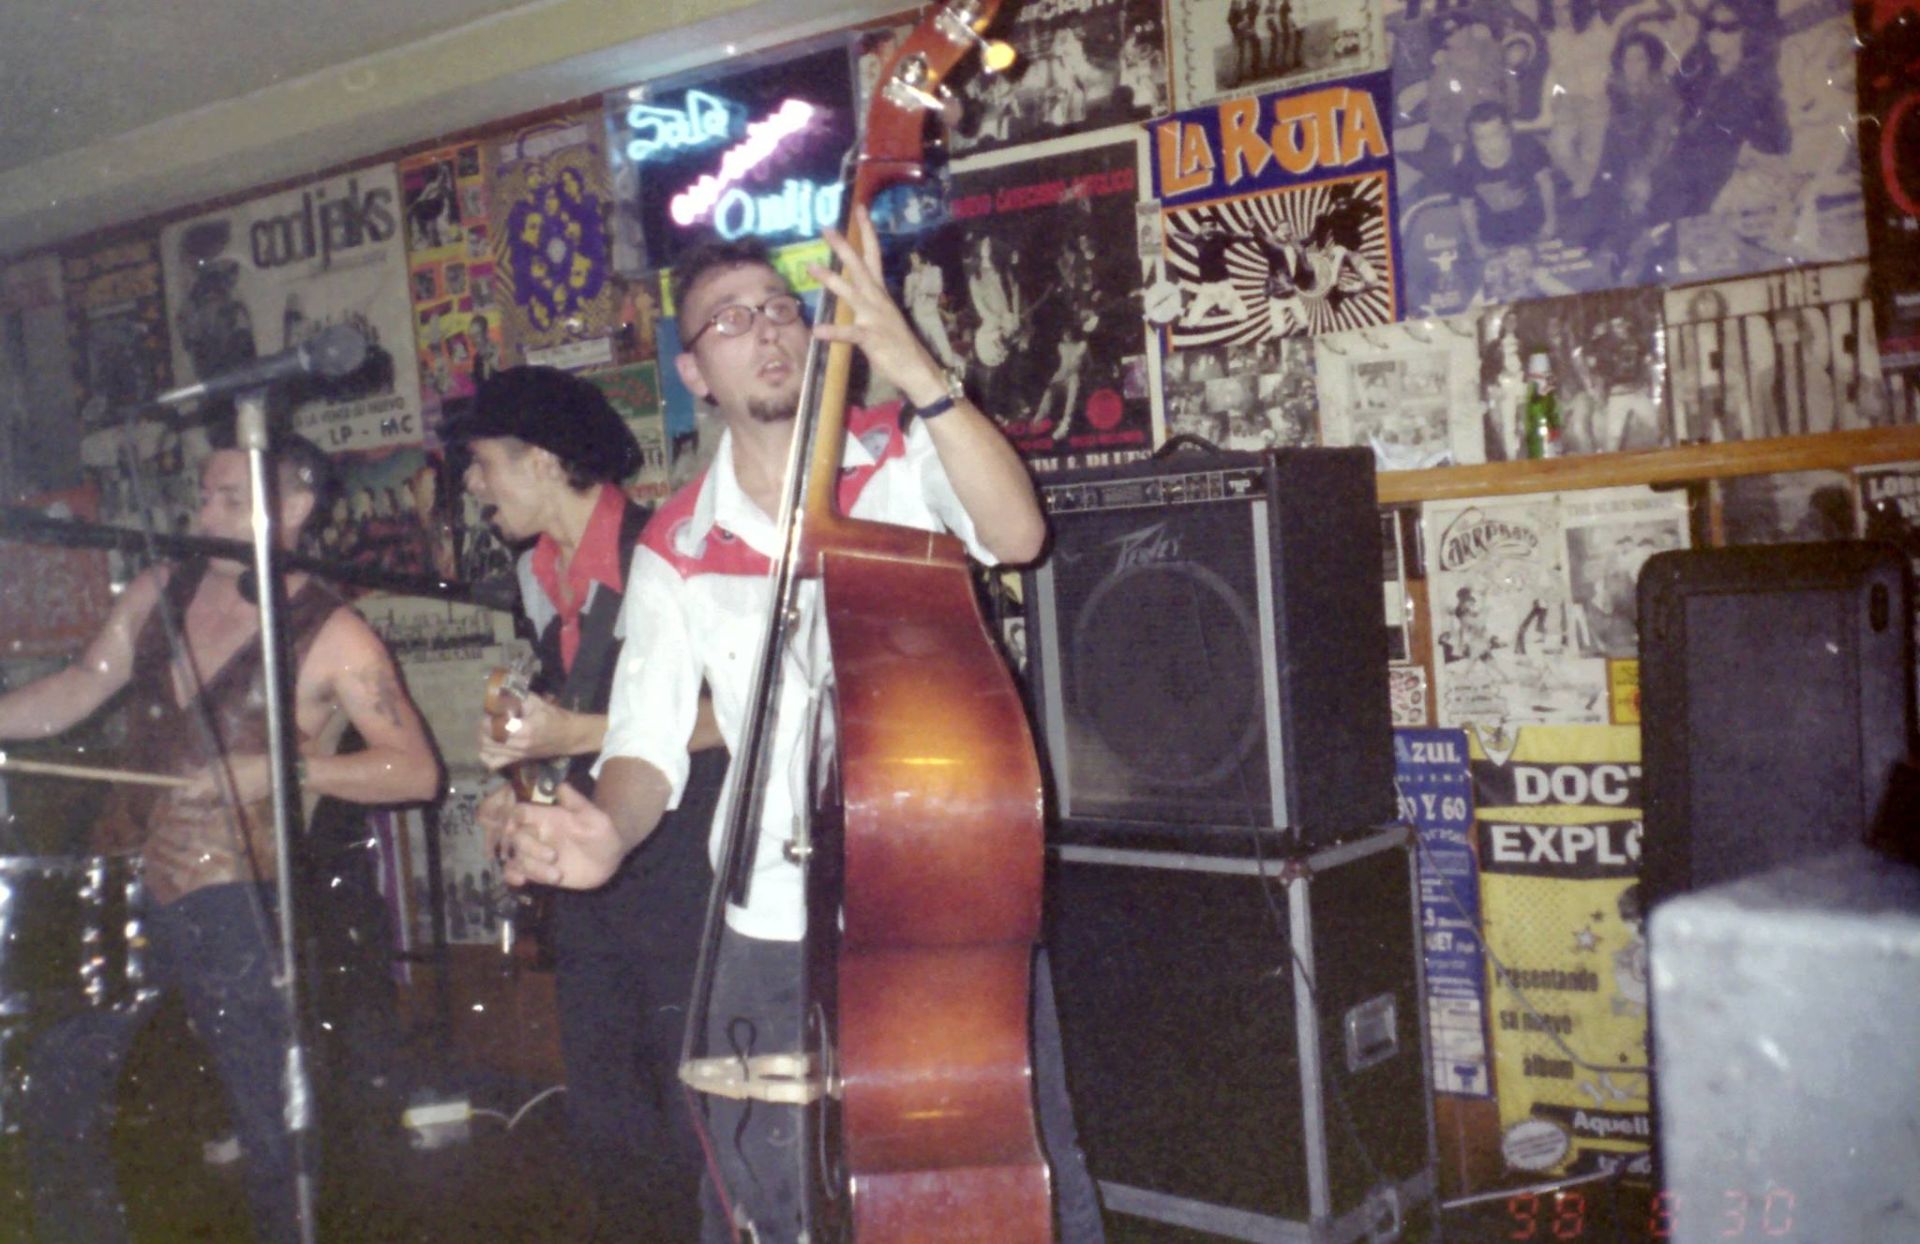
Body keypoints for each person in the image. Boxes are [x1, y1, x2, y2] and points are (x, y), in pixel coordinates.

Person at [495, 214, 1105, 1243]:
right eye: (729, 322)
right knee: (761, 1193)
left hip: (939, 886)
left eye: (779, 308)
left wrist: (915, 368)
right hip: (767, 914)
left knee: (1018, 1157)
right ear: (694, 369)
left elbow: (1016, 532)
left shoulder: (898, 458)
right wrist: (609, 828)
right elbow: (644, 748)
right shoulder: (678, 542)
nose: (765, 330)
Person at [2, 427, 440, 1244]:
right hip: (122, 877)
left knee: (272, 1116)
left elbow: (415, 771)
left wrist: (280, 772)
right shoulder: (160, 587)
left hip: (236, 894)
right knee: (59, 1082)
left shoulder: (333, 631)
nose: (205, 512)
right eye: (204, 495)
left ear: (296, 507)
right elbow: (79, 686)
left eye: (231, 499)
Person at [450, 365, 728, 1241]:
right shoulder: (540, 574)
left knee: (698, 1132)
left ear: (539, 461)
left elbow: (740, 709)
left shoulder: (668, 549)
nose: (471, 482)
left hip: (681, 877)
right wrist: (518, 795)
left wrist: (569, 738)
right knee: (609, 1127)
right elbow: (571, 717)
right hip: (589, 896)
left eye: (481, 461)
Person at [1451, 101, 1557, 257]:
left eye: (1495, 135)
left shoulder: (1528, 149)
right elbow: (1467, 208)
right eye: (1482, 138)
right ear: (1473, 141)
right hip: (1491, 235)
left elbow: (1546, 184)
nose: (1490, 144)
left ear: (1508, 132)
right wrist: (1476, 245)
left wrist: (1550, 222)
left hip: (1532, 227)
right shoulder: (1466, 168)